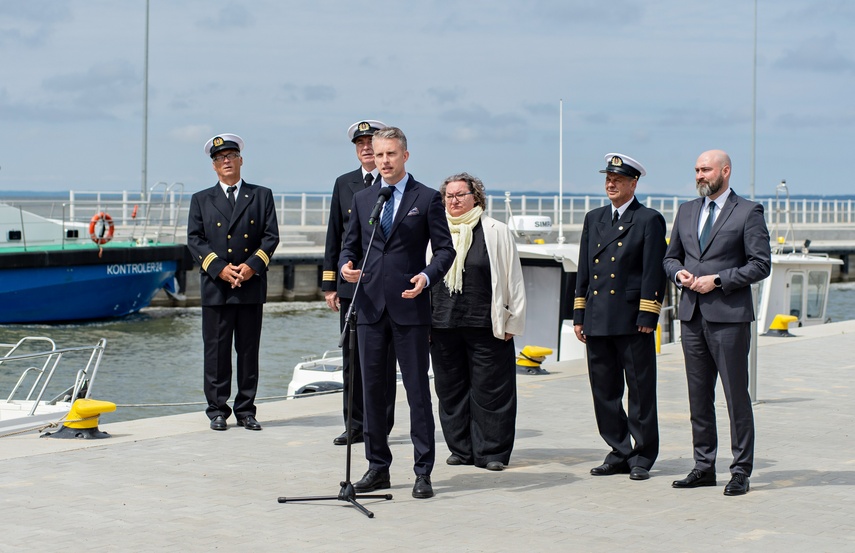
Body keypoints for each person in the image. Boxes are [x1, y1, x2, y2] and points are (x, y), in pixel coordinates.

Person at [339, 127, 455, 499]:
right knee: (372, 391)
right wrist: (346, 267)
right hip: (370, 307)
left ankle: (423, 471)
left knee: (418, 392)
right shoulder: (363, 199)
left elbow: (444, 251)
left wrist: (425, 276)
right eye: (379, 154)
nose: (384, 161)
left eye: (391, 154)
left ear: (405, 155)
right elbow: (349, 247)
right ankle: (378, 468)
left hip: (410, 306)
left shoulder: (427, 197)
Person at [663, 149, 771, 496]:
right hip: (692, 316)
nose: (699, 175)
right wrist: (678, 274)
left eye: (705, 169)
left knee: (735, 396)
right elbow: (670, 256)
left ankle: (740, 470)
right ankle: (703, 466)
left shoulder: (748, 212)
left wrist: (718, 280)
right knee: (698, 397)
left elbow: (760, 264)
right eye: (696, 169)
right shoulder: (686, 210)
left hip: (729, 318)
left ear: (725, 171)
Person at [573, 153, 667, 481]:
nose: (610, 184)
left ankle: (642, 454)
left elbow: (654, 271)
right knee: (604, 390)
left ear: (633, 183)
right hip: (598, 317)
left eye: (618, 180)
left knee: (640, 390)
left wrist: (648, 313)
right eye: (608, 179)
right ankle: (619, 450)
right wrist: (579, 313)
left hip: (631, 319)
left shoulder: (648, 220)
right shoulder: (594, 218)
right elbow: (585, 268)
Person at [430, 172, 526, 472]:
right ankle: (461, 449)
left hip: (487, 324)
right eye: (449, 195)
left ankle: (492, 452)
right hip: (441, 323)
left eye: (461, 195)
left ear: (476, 198)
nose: (454, 200)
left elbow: (513, 278)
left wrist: (513, 322)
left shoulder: (496, 230)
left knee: (492, 392)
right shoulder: (434, 231)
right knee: (450, 390)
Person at [187, 134, 280, 431]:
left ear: (241, 159)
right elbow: (195, 240)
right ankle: (217, 410)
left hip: (250, 285)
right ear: (213, 166)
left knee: (248, 351)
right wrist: (219, 268)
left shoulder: (261, 195)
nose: (225, 161)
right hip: (217, 286)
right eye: (219, 158)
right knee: (216, 352)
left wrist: (252, 267)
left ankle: (246, 410)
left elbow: (270, 236)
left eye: (230, 156)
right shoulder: (201, 199)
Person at [322, 120, 397, 446]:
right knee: (352, 360)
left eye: (371, 142)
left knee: (384, 361)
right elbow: (335, 236)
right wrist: (330, 283)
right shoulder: (344, 183)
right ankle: (354, 425)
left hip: (387, 286)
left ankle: (382, 425)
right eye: (361, 144)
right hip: (353, 287)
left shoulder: (395, 182)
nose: (366, 149)